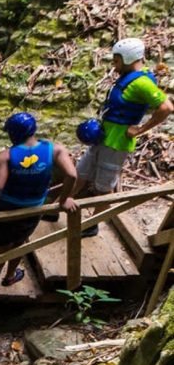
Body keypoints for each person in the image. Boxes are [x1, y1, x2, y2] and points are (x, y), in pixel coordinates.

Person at [0, 112, 78, 293]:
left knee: (0, 245)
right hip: (34, 207)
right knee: (19, 241)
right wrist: (64, 199)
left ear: (12, 134)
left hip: (7, 208)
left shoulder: (7, 156)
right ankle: (10, 276)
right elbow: (72, 174)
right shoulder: (54, 150)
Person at [73, 37, 173, 237]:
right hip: (104, 136)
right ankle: (59, 206)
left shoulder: (142, 83)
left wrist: (140, 129)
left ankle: (92, 224)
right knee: (80, 172)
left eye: (117, 60)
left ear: (128, 58)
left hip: (117, 143)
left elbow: (166, 107)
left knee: (103, 187)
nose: (114, 64)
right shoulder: (128, 77)